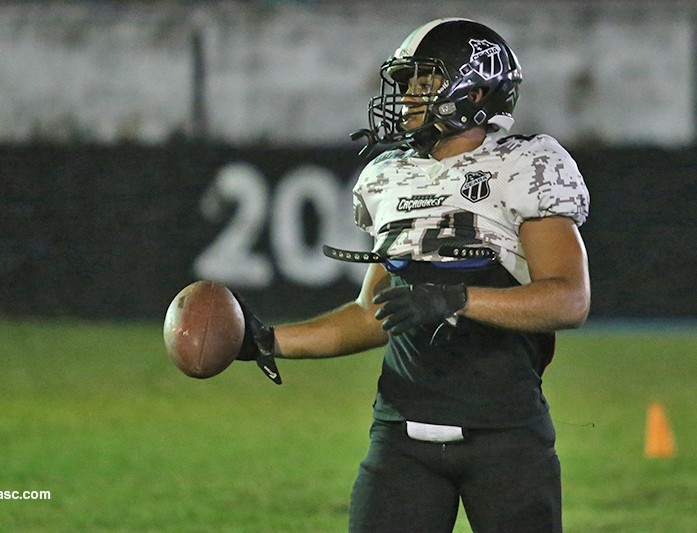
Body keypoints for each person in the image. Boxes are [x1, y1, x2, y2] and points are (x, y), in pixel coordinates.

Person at [236, 17, 590, 533]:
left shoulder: (526, 166)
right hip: (401, 436)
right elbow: (371, 314)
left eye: (425, 82)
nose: (407, 97)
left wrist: (456, 300)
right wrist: (269, 340)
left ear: (473, 89)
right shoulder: (390, 176)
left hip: (505, 437)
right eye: (407, 83)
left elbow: (568, 300)